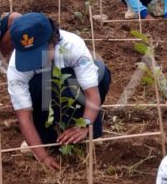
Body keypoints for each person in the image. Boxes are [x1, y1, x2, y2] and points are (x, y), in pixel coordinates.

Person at [7, 13, 111, 169]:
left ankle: (91, 131)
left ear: (53, 41)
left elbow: (92, 94)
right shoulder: (16, 66)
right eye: (29, 57)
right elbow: (24, 117)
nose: (35, 61)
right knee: (40, 82)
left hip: (76, 97)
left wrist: (84, 125)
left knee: (100, 72)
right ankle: (45, 137)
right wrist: (43, 157)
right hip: (44, 106)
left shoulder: (73, 45)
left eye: (38, 54)